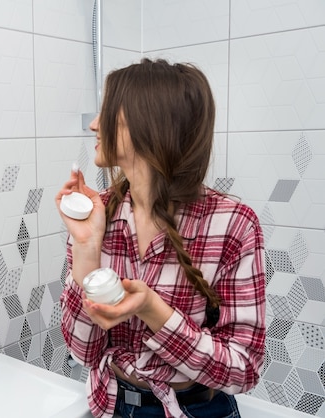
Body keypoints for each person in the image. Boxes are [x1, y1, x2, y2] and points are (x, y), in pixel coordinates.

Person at [57, 59, 265, 418]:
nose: (93, 124)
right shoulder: (99, 212)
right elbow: (84, 353)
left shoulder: (233, 224)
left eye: (106, 112)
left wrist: (153, 310)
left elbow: (244, 368)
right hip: (113, 404)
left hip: (197, 409)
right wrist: (87, 249)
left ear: (147, 124)